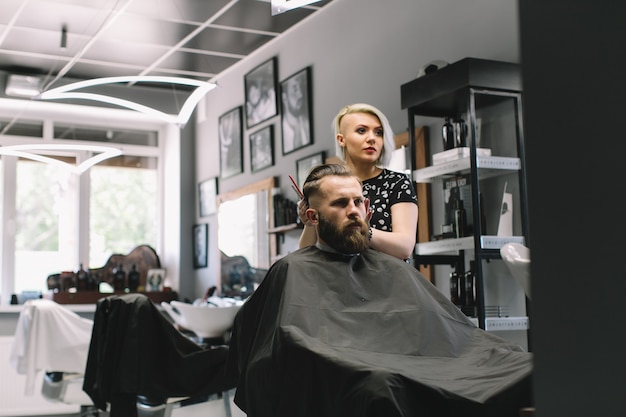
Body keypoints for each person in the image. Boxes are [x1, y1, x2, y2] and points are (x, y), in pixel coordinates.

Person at [227, 164, 533, 417]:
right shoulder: (292, 269)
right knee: (380, 387)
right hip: (365, 372)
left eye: (358, 202)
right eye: (340, 203)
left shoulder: (391, 267)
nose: (354, 211)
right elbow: (279, 345)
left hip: (434, 362)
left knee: (522, 363)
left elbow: (449, 328)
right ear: (312, 216)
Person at [298, 103, 417, 261]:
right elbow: (307, 254)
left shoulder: (396, 183)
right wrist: (309, 224)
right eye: (362, 130)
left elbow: (404, 248)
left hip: (387, 279)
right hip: (336, 278)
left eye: (379, 132)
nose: (371, 138)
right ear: (341, 139)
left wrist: (362, 230)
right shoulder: (327, 185)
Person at [281, 71, 311, 153]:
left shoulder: (307, 124)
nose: (301, 94)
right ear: (284, 98)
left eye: (301, 88)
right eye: (295, 89)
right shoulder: (281, 135)